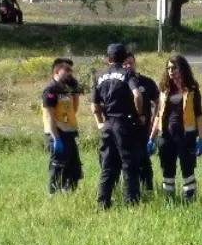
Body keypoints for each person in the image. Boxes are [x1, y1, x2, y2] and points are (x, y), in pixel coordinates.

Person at [91, 42, 145, 208]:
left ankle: (103, 203)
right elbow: (137, 95)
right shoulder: (127, 73)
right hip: (124, 123)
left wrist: (101, 123)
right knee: (129, 163)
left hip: (107, 123)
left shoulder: (99, 76)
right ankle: (131, 202)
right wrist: (139, 113)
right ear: (123, 58)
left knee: (108, 164)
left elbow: (95, 106)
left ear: (108, 58)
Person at [152, 53, 202, 202]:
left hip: (185, 136)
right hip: (166, 136)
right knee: (167, 168)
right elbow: (157, 115)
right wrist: (152, 138)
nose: (171, 71)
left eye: (174, 67)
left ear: (182, 68)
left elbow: (199, 116)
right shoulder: (164, 89)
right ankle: (168, 199)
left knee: (187, 168)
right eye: (168, 68)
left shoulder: (192, 90)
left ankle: (189, 198)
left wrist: (200, 139)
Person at [41, 57, 82, 193]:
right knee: (58, 169)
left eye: (71, 70)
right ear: (57, 71)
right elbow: (49, 115)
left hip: (69, 134)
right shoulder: (51, 90)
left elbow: (73, 110)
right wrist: (56, 138)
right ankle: (53, 197)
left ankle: (68, 196)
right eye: (67, 70)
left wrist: (76, 92)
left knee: (73, 170)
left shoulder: (66, 89)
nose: (70, 73)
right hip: (57, 134)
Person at [124, 51, 160, 195]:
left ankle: (148, 190)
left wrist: (154, 119)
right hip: (124, 129)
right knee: (127, 162)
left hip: (143, 129)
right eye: (124, 63)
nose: (127, 66)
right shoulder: (119, 82)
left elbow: (158, 102)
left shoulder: (146, 82)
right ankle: (130, 191)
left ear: (135, 63)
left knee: (144, 161)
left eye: (130, 63)